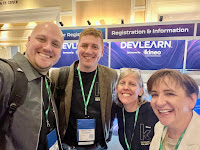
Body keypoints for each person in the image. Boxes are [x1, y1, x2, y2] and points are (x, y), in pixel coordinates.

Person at [50, 28, 118, 150]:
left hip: (98, 146)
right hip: (68, 145)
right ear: (77, 48)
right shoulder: (58, 75)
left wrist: (108, 134)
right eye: (84, 45)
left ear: (102, 51)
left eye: (95, 47)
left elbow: (113, 109)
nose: (88, 51)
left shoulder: (111, 76)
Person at [0, 22, 64, 150]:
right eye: (41, 39)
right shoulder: (6, 74)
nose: (47, 47)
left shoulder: (45, 80)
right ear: (28, 41)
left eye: (55, 44)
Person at [147, 69, 200, 150]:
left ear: (192, 100)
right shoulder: (159, 127)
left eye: (169, 94)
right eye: (155, 94)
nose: (159, 102)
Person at [115, 68, 158, 150]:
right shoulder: (118, 110)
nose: (126, 87)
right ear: (117, 89)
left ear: (140, 91)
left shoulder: (153, 110)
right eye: (122, 83)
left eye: (132, 84)